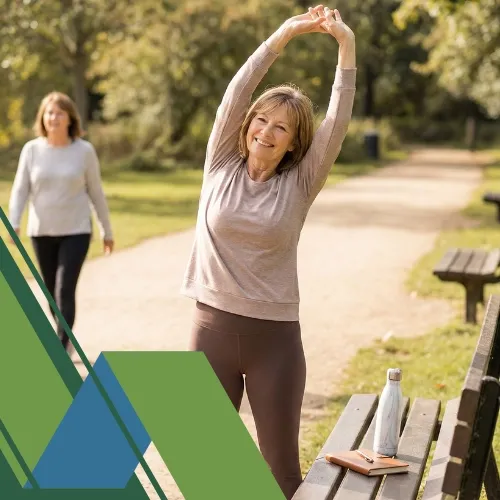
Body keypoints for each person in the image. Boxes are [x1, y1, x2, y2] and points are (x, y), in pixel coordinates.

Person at [181, 5, 356, 498]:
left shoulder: (301, 182)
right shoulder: (221, 162)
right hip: (209, 332)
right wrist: (284, 34)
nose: (265, 131)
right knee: (205, 468)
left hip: (273, 344)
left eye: (281, 127)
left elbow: (339, 118)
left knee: (279, 475)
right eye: (261, 119)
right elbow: (237, 90)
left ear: (295, 142)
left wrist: (346, 46)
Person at [8, 91, 114, 353]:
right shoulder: (32, 150)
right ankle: (63, 338)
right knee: (50, 294)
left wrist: (106, 230)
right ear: (42, 118)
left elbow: (96, 192)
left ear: (70, 118)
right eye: (49, 112)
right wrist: (14, 220)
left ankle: (60, 347)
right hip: (41, 231)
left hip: (76, 230)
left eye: (59, 112)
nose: (53, 117)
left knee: (64, 290)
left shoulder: (84, 151)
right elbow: (20, 189)